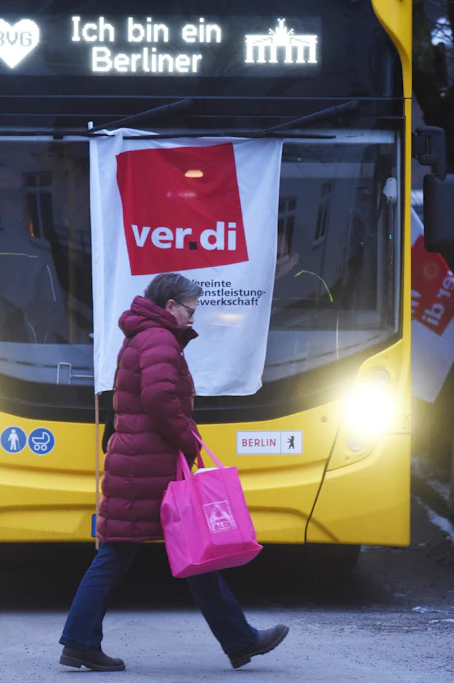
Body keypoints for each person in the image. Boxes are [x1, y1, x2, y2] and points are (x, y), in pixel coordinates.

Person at [59, 272, 289, 672]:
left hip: (140, 462)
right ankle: (238, 640)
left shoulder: (145, 335)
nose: (192, 319)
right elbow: (159, 397)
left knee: (185, 550)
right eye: (190, 310)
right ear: (170, 307)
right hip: (147, 465)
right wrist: (190, 438)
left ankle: (238, 640)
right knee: (129, 552)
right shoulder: (160, 339)